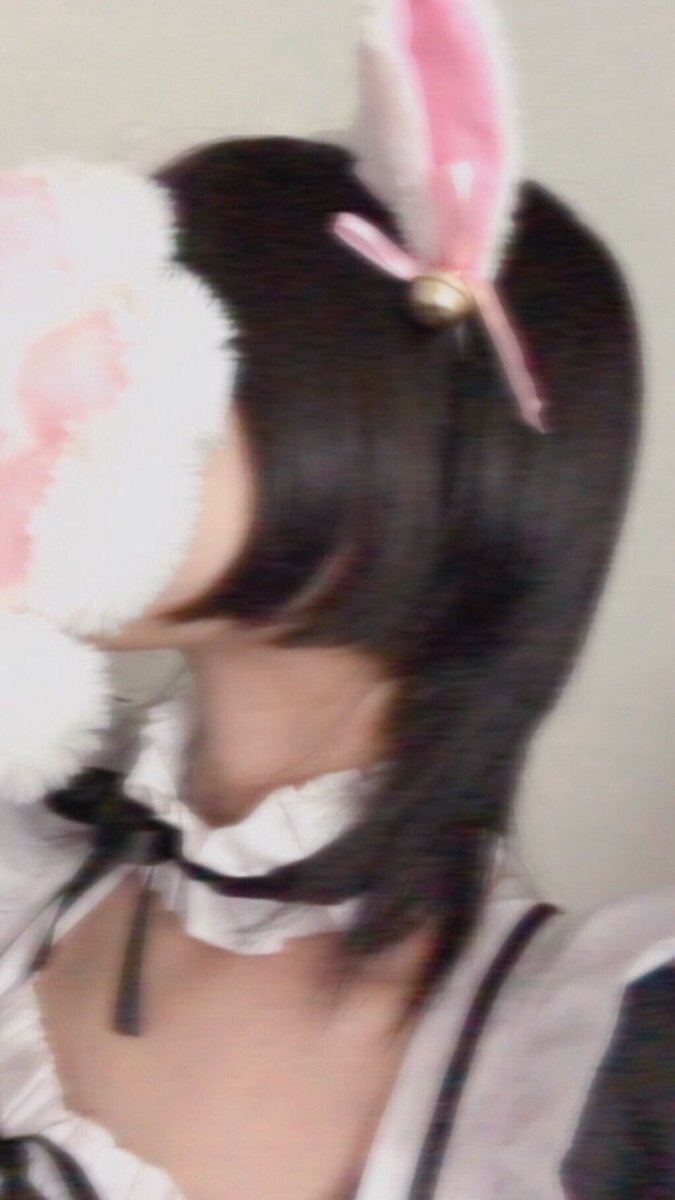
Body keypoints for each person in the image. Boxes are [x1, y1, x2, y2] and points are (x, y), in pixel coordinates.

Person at [0, 2, 673, 1198]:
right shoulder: (27, 871)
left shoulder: (586, 1060)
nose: (56, 413)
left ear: (391, 445)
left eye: (147, 351)